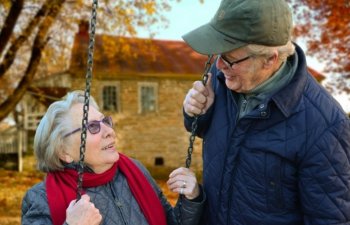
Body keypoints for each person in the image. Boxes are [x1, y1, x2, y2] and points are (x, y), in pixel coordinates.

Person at [181, 0, 350, 224]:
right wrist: (195, 112)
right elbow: (206, 131)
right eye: (217, 54)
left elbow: (331, 219)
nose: (219, 65)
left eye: (230, 58)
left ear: (270, 59)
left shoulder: (325, 126)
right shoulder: (223, 79)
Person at [22, 90, 205, 225]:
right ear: (64, 152)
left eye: (105, 121)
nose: (109, 131)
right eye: (92, 127)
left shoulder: (135, 171)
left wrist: (192, 198)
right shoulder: (41, 198)